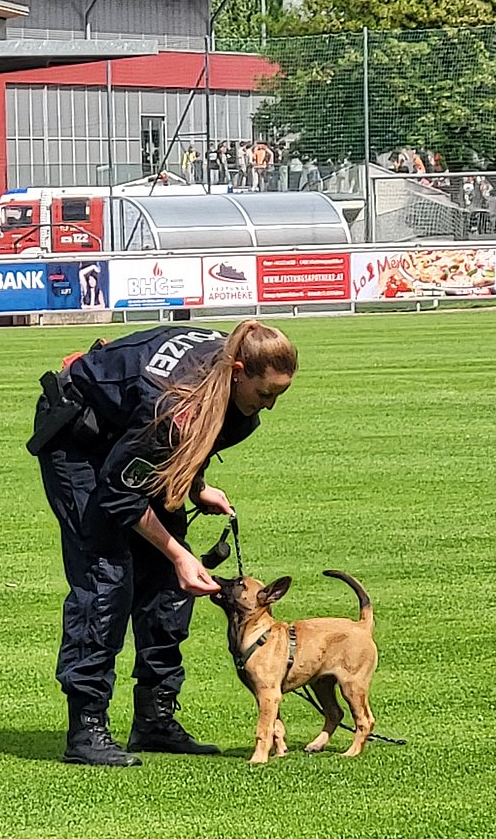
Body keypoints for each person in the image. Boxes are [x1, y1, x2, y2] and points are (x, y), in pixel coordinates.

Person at [29, 321, 298, 768]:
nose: (268, 406)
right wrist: (177, 552)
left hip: (131, 436)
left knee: (169, 588)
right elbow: (120, 492)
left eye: (279, 395)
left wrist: (196, 486)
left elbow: (182, 446)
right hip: (79, 439)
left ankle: (154, 719)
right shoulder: (175, 403)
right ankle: (87, 727)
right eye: (265, 393)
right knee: (106, 577)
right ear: (237, 370)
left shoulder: (227, 374)